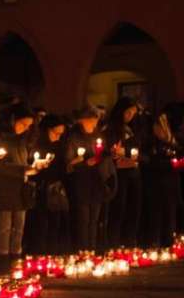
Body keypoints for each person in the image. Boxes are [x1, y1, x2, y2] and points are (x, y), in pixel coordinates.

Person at [0, 103, 39, 272]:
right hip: (4, 188)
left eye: (29, 126)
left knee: (19, 227)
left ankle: (15, 260)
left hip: (21, 189)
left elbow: (24, 161)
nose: (25, 128)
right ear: (13, 120)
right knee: (4, 227)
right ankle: (1, 262)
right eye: (23, 124)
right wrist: (24, 169)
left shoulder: (22, 140)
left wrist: (34, 165)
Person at [64, 106, 110, 252]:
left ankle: (93, 247)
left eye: (95, 121)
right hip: (81, 182)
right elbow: (69, 163)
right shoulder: (74, 138)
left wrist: (105, 156)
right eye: (90, 121)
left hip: (97, 181)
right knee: (83, 219)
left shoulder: (98, 136)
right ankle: (82, 249)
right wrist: (84, 163)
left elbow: (103, 153)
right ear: (82, 121)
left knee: (94, 219)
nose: (93, 124)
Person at [26, 114, 70, 255]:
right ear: (46, 130)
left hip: (55, 190)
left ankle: (52, 255)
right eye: (56, 133)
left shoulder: (59, 146)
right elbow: (29, 167)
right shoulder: (35, 145)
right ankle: (38, 254)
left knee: (55, 223)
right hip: (39, 189)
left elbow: (63, 168)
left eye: (61, 134)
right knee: (40, 224)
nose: (58, 136)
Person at [103, 97, 142, 248]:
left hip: (134, 174)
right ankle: (114, 242)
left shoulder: (134, 128)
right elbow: (109, 150)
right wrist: (116, 152)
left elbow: (140, 150)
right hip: (119, 174)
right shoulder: (111, 128)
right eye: (128, 112)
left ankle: (130, 241)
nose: (130, 115)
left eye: (133, 113)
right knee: (119, 207)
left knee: (134, 207)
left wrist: (127, 152)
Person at [144, 109, 182, 247]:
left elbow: (179, 155)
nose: (162, 130)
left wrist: (177, 162)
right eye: (159, 126)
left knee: (170, 213)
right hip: (156, 185)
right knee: (156, 215)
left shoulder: (172, 142)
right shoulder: (150, 142)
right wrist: (169, 164)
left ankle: (169, 242)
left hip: (171, 185)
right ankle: (155, 242)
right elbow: (150, 162)